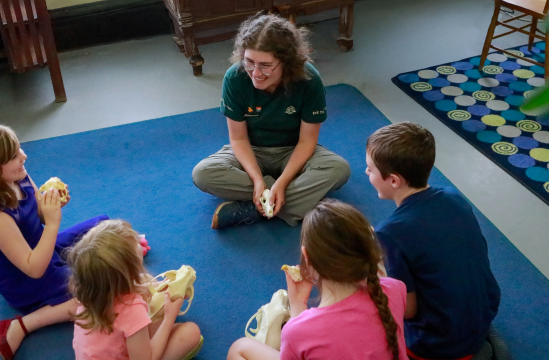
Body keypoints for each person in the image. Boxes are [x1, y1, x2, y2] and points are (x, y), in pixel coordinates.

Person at [0, 124, 109, 360]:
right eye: (14, 156)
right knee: (91, 294)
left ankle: (84, 260)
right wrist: (53, 222)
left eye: (20, 149)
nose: (23, 157)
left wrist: (51, 203)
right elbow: (34, 268)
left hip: (44, 248)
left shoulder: (19, 176)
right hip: (23, 277)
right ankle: (22, 325)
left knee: (104, 224)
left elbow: (37, 214)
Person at [192, 12, 351, 230]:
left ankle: (254, 209)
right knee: (203, 174)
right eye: (249, 62)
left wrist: (283, 181)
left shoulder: (309, 79)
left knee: (338, 170)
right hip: (252, 150)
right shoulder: (235, 77)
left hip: (292, 151)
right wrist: (259, 181)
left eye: (266, 65)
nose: (255, 73)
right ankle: (297, 203)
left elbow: (307, 141)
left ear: (286, 62)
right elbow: (238, 139)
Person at [365, 122, 501, 360]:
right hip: (484, 312)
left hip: (436, 344)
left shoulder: (390, 233)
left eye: (370, 169)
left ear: (394, 180)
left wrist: (374, 269)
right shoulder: (453, 196)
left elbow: (407, 310)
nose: (366, 173)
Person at [227, 199, 409, 360]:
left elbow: (303, 338)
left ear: (307, 256)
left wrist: (297, 305)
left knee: (240, 348)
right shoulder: (395, 288)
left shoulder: (299, 332)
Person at [67, 219, 203, 360]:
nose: (139, 241)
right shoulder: (132, 308)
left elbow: (137, 287)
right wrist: (170, 317)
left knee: (146, 280)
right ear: (129, 270)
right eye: (136, 243)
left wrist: (158, 288)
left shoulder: (90, 290)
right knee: (190, 333)